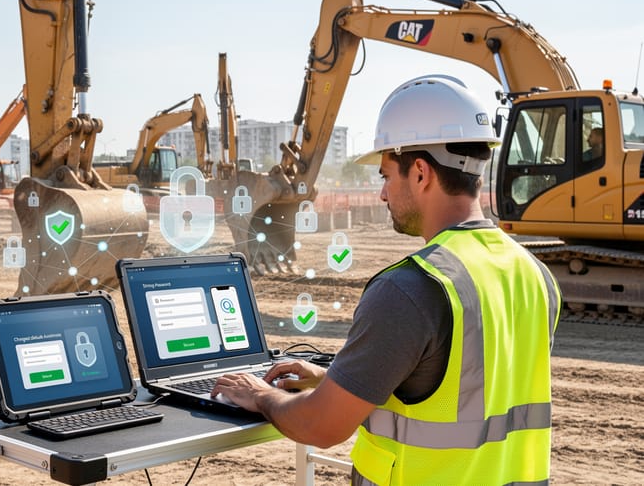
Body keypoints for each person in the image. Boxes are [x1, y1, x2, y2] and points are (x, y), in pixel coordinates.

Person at [211, 75, 562, 485]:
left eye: (385, 176)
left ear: (420, 173)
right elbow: (465, 388)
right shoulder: (534, 274)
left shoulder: (410, 289)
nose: (381, 194)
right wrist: (335, 381)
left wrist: (260, 394)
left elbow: (321, 427)